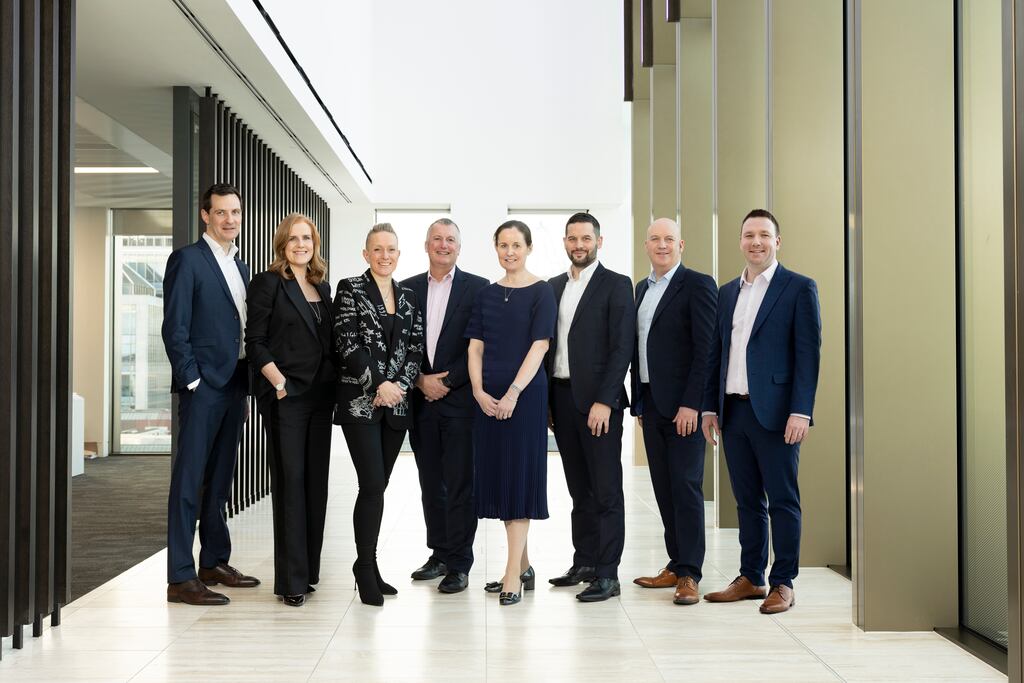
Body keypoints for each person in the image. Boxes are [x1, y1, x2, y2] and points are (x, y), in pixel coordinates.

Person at [701, 209, 821, 614]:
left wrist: (801, 411)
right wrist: (708, 408)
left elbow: (808, 355)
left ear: (777, 241)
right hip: (732, 413)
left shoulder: (798, 288)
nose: (756, 242)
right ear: (740, 241)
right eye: (749, 235)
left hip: (776, 414)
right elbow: (717, 353)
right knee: (747, 500)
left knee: (783, 499)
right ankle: (751, 576)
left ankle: (782, 581)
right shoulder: (727, 292)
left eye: (764, 235)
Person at [162, 183, 260, 605]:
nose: (229, 219)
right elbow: (174, 328)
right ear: (206, 216)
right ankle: (181, 577)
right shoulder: (188, 260)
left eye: (235, 212)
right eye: (220, 212)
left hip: (236, 382)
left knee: (220, 479)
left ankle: (213, 561)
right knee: (189, 482)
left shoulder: (241, 267)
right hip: (204, 387)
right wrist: (193, 381)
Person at [245, 213, 336, 607]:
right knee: (291, 485)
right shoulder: (268, 283)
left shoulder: (321, 285)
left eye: (308, 238)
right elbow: (256, 341)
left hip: (321, 398)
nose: (302, 244)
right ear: (283, 243)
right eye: (295, 238)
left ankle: (309, 571)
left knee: (316, 485)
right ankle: (291, 581)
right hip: (287, 398)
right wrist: (278, 382)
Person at [466, 220, 556, 606]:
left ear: (529, 247)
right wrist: (478, 392)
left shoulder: (542, 292)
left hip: (525, 399)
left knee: (519, 480)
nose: (509, 252)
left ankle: (510, 576)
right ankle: (524, 565)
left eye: (516, 245)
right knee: (502, 478)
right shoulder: (487, 294)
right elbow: (474, 348)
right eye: (502, 245)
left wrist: (513, 394)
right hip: (488, 401)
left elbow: (539, 347)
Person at [334, 223, 424, 606]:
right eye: (377, 249)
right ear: (365, 254)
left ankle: (367, 565)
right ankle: (365, 566)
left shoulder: (408, 296)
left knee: (378, 488)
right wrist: (379, 385)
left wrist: (398, 386)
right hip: (360, 403)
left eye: (391, 250)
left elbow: (415, 349)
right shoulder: (349, 289)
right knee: (371, 484)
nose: (384, 256)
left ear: (399, 255)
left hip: (397, 404)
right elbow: (346, 344)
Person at [546, 213, 634, 602]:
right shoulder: (553, 287)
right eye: (572, 238)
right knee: (578, 488)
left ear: (599, 241)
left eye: (586, 238)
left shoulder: (616, 285)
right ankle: (583, 561)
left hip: (598, 402)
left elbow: (622, 348)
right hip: (561, 399)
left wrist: (605, 400)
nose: (579, 244)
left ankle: (607, 573)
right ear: (564, 242)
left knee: (606, 490)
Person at [631, 218, 717, 606]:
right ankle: (675, 561)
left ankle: (690, 574)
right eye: (655, 239)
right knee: (664, 489)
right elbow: (639, 349)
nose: (662, 245)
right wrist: (639, 402)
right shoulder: (641, 289)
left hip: (684, 408)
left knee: (685, 488)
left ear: (681, 244)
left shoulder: (698, 285)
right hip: (651, 404)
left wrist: (693, 404)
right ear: (646, 245)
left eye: (669, 239)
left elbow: (705, 350)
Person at [403, 219, 489, 593]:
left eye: (450, 239)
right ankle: (438, 554)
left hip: (460, 403)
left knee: (459, 484)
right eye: (436, 239)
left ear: (459, 246)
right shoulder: (406, 289)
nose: (443, 245)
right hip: (420, 401)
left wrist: (447, 381)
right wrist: (420, 380)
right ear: (426, 245)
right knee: (429, 482)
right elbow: (400, 344)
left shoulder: (478, 289)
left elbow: (480, 347)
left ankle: (459, 562)